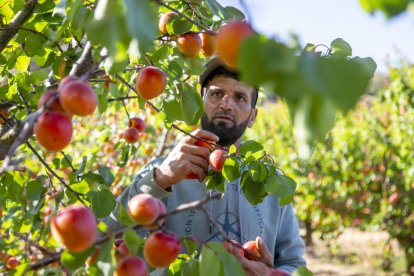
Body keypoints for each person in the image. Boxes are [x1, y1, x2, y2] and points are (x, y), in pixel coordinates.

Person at [103, 58, 306, 275]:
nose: (226, 104)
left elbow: (294, 263)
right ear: (200, 103)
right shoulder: (162, 171)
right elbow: (109, 238)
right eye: (217, 94)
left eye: (239, 97)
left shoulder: (268, 182)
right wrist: (159, 179)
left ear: (252, 117)